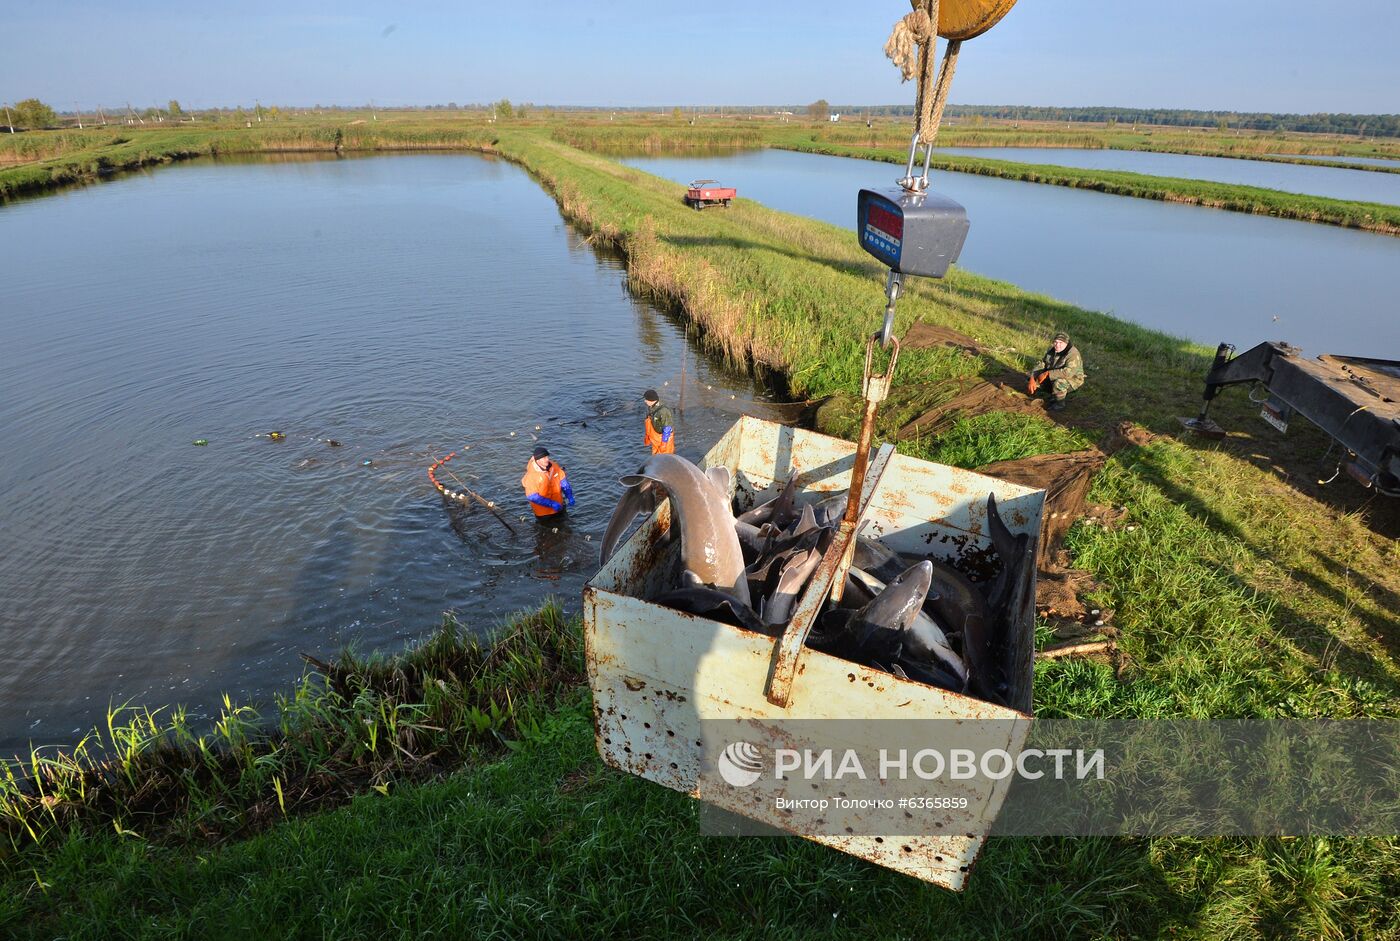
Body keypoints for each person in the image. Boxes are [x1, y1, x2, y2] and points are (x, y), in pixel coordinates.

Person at [1027, 331, 1085, 411]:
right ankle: (1043, 393)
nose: (1057, 345)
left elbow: (1068, 373)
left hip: (1073, 379)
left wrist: (1047, 374)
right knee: (1031, 377)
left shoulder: (1073, 354)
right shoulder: (1052, 350)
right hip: (1054, 374)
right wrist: (1032, 378)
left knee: (1059, 383)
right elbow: (1042, 364)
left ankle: (1059, 404)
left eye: (1060, 342)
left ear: (1066, 343)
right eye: (1055, 342)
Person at [520, 446, 574, 519]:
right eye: (544, 458)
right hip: (544, 513)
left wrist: (569, 495)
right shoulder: (532, 476)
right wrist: (552, 504)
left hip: (559, 506)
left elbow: (563, 482)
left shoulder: (554, 466)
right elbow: (532, 496)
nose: (547, 459)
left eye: (547, 457)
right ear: (538, 460)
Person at [642, 389, 676, 455]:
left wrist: (664, 444)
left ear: (652, 400)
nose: (645, 401)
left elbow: (667, 428)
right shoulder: (651, 407)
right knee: (655, 458)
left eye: (646, 399)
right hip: (655, 439)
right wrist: (648, 437)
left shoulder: (663, 411)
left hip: (664, 440)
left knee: (665, 459)